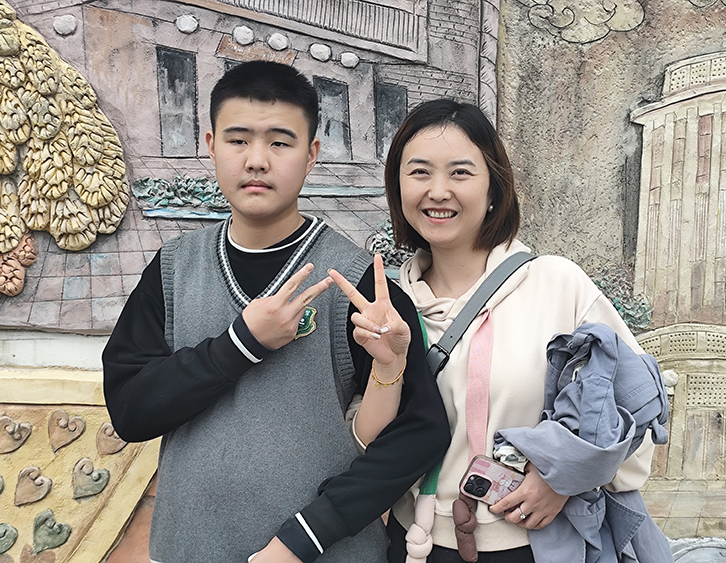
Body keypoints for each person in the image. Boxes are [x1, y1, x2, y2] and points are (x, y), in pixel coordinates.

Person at [101, 61, 450, 563]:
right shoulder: (174, 268)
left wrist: (306, 536)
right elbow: (131, 411)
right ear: (211, 145)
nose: (257, 160)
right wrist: (240, 344)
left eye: (280, 143)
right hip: (186, 549)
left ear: (311, 155)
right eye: (238, 140)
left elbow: (421, 431)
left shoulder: (357, 284)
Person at [341, 99, 662, 562]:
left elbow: (640, 407)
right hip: (413, 547)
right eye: (419, 172)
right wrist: (385, 370)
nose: (438, 191)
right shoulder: (388, 304)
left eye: (460, 172)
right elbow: (368, 445)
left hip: (537, 546)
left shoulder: (556, 284)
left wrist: (562, 479)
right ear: (398, 187)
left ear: (494, 187)